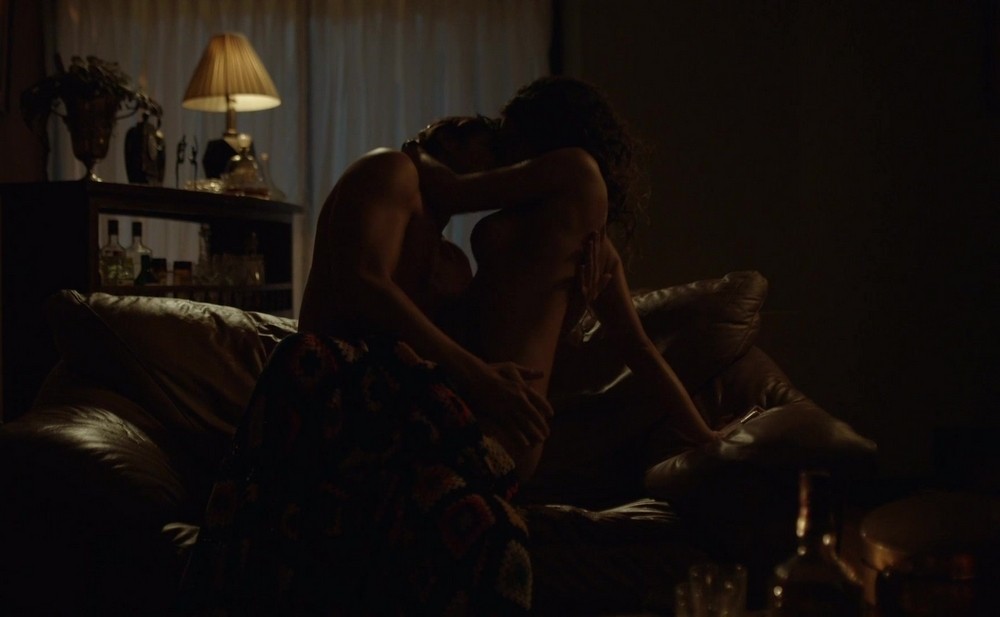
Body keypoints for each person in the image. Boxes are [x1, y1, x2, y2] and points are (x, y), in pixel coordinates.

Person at [180, 77, 716, 615]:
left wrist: (705, 435)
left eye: (507, 149)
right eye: (493, 148)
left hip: (491, 419)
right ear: (450, 137)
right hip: (432, 402)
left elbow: (633, 346)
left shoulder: (567, 187)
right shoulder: (400, 180)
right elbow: (388, 294)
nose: (501, 166)